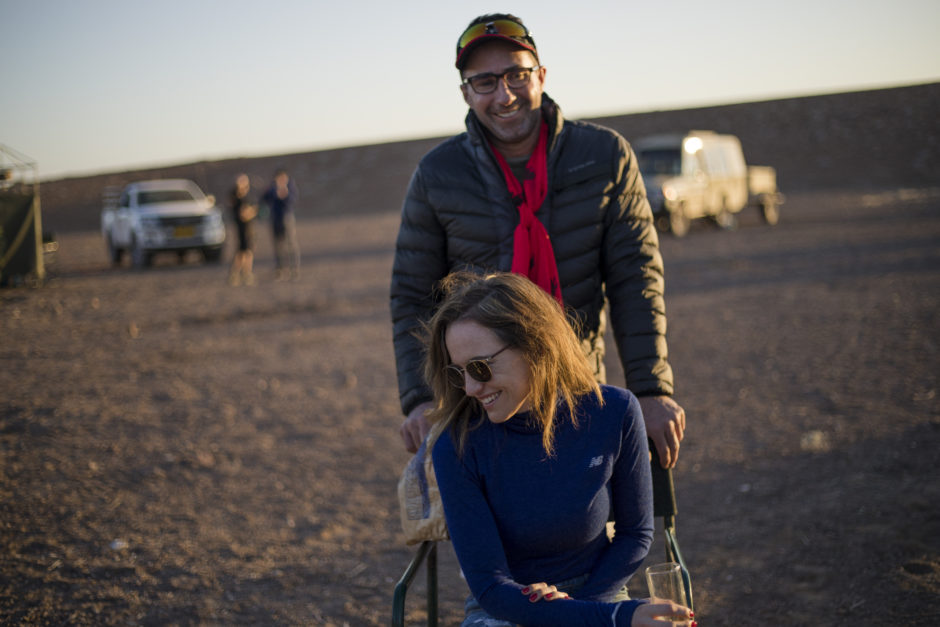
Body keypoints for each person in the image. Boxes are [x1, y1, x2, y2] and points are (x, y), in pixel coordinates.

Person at [390, 13, 686, 469]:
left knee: (592, 530)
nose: (504, 94)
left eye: (516, 75)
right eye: (484, 82)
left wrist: (649, 390)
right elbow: (413, 296)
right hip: (479, 407)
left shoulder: (605, 156)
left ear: (541, 76)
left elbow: (635, 279)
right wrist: (420, 397)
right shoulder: (437, 175)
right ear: (466, 93)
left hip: (579, 388)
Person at [424, 271, 695, 627]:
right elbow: (489, 585)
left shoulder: (614, 412)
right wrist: (599, 617)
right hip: (507, 608)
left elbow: (635, 535)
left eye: (480, 367)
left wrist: (582, 613)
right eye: (459, 373)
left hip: (600, 592)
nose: (472, 388)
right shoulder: (457, 445)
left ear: (533, 343)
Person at [261, 168, 300, 280]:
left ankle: (294, 268)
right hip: (275, 218)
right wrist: (269, 192)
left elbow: (292, 200)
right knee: (278, 245)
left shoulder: (290, 186)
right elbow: (265, 199)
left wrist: (285, 194)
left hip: (286, 217)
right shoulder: (272, 187)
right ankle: (280, 268)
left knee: (291, 244)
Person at [228, 173, 257, 285]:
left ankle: (245, 273)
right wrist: (253, 211)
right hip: (241, 228)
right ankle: (238, 274)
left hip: (247, 228)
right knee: (242, 252)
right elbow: (243, 215)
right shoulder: (236, 197)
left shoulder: (243, 197)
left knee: (247, 252)